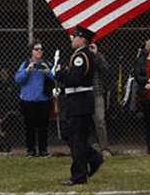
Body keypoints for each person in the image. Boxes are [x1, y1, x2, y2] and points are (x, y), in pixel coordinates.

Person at [56, 26, 104, 186]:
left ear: (82, 39)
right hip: (77, 99)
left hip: (80, 101)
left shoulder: (81, 56)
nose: (72, 39)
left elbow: (75, 79)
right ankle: (93, 157)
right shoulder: (80, 55)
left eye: (75, 37)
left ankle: (79, 175)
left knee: (77, 138)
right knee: (73, 136)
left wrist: (60, 74)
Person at [15, 41, 55, 157]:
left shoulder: (46, 63)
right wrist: (28, 70)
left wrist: (47, 71)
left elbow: (55, 78)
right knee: (30, 126)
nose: (39, 51)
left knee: (43, 126)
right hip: (28, 100)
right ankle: (31, 150)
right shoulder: (26, 63)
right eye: (36, 49)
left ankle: (43, 149)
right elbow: (18, 80)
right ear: (31, 52)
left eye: (40, 49)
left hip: (44, 99)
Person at [88, 42, 112, 158]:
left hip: (96, 91)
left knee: (100, 121)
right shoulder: (78, 55)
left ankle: (104, 147)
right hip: (83, 94)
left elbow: (105, 68)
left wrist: (96, 54)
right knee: (84, 122)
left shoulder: (96, 56)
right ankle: (87, 146)